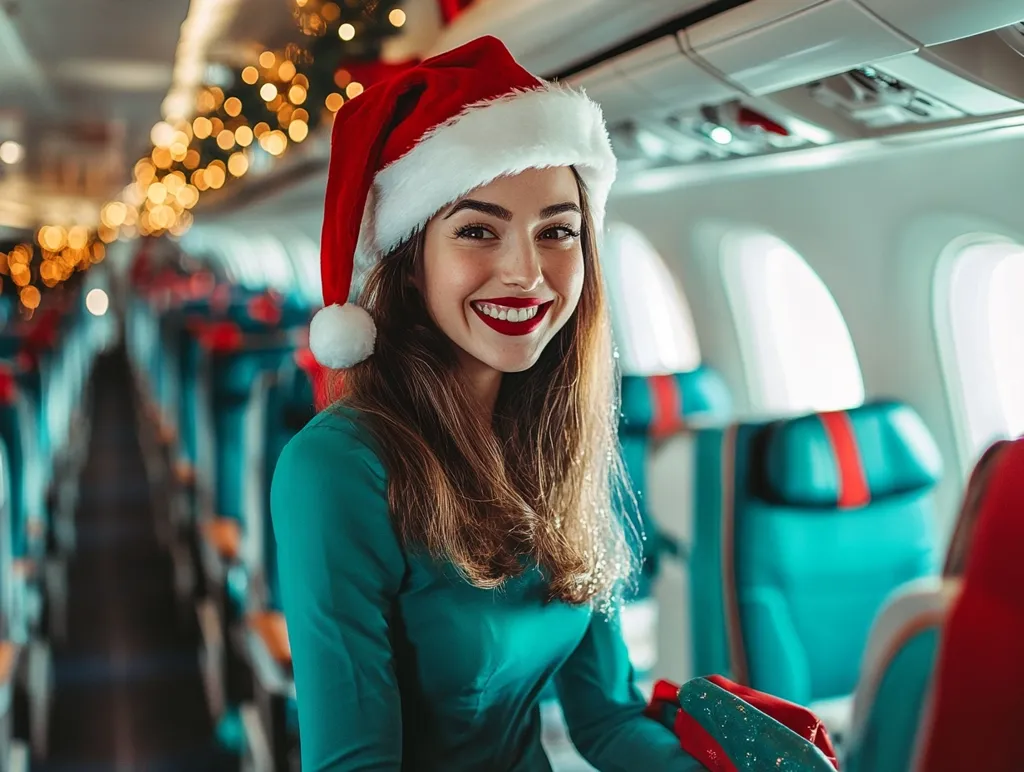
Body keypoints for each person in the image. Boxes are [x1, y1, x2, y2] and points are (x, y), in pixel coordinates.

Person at [271, 36, 704, 771]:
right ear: (412, 265)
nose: (527, 274)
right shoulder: (337, 469)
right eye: (478, 230)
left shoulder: (561, 443)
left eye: (557, 232)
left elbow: (607, 719)